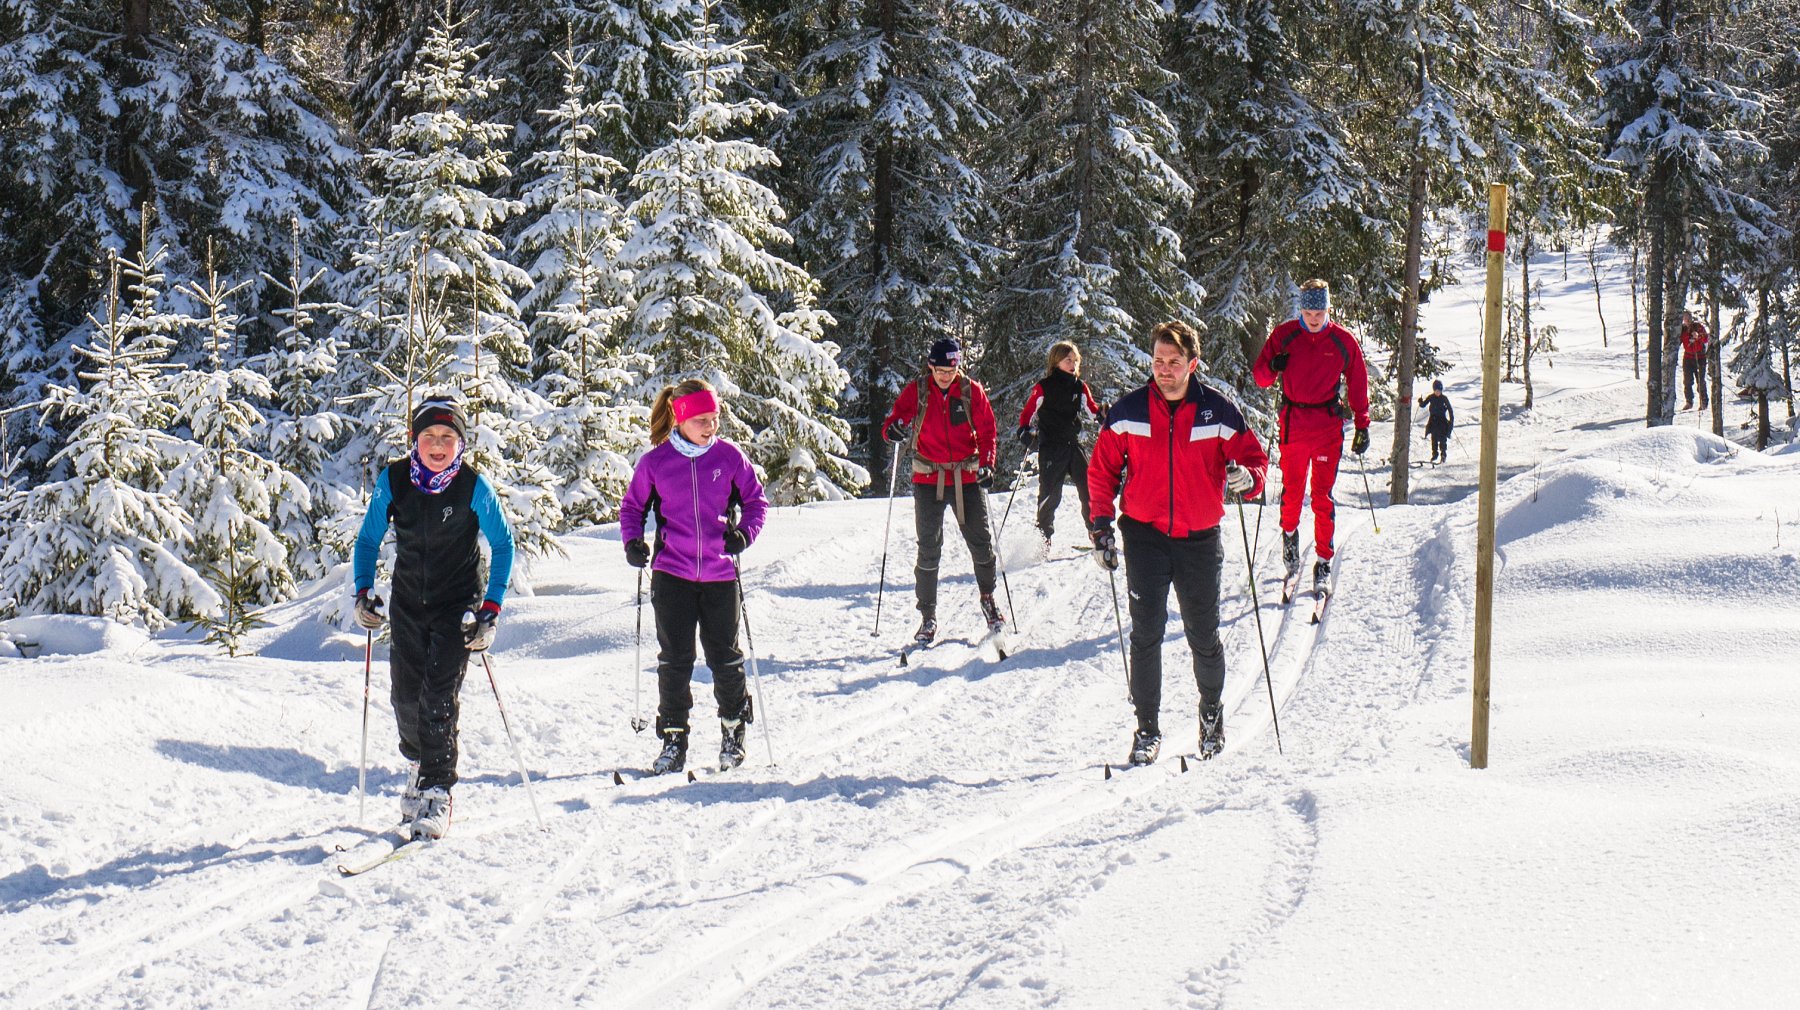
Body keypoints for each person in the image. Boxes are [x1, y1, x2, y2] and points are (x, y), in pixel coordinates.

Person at [1088, 321, 1268, 766]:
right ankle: (1146, 729)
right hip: (1144, 535)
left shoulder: (1219, 412)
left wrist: (1247, 479)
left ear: (1193, 364)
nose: (1164, 370)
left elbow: (1254, 462)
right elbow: (1102, 470)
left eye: (1173, 362)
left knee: (1203, 636)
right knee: (1145, 634)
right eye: (1158, 361)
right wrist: (1100, 526)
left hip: (1198, 539)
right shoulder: (1129, 412)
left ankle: (1210, 717)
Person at [353, 396, 515, 840]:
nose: (438, 445)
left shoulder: (472, 486)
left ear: (461, 442)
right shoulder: (394, 481)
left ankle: (439, 789)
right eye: (429, 436)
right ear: (414, 441)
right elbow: (368, 540)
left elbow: (503, 547)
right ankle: (418, 767)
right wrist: (363, 592)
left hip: (456, 607)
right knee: (405, 700)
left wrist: (490, 611)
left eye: (448, 437)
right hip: (407, 605)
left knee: (437, 697)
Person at [619, 378, 768, 775]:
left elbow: (756, 503)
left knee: (725, 657)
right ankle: (672, 737)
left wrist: (743, 535)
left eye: (714, 418)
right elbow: (632, 508)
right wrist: (633, 542)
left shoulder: (729, 457)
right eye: (701, 419)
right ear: (681, 419)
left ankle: (734, 731)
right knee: (675, 660)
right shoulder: (656, 462)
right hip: (672, 574)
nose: (710, 427)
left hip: (720, 573)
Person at [1252, 278, 1370, 595]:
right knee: (1292, 493)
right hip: (1293, 424)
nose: (1313, 318)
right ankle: (1289, 537)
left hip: (1327, 426)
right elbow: (1260, 378)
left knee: (1322, 497)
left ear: (1328, 309)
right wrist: (1274, 366)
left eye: (1319, 312)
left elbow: (1358, 380)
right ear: (1300, 309)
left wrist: (1362, 423)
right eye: (1308, 311)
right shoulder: (1284, 335)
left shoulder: (1343, 341)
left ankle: (1323, 562)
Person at [881, 336, 1002, 644]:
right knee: (928, 548)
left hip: (967, 477)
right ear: (930, 367)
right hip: (928, 479)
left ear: (957, 366)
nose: (946, 376)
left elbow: (988, 431)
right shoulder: (918, 391)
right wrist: (893, 429)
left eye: (951, 370)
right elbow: (894, 420)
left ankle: (988, 598)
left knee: (981, 542)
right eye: (940, 370)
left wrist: (987, 465)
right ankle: (928, 616)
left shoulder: (970, 391)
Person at [1016, 341, 1103, 554]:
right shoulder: (1044, 386)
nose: (1073, 364)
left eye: (1075, 360)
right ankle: (1043, 540)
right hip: (1052, 448)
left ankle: (1096, 533)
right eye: (1068, 360)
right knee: (1050, 495)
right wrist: (1024, 431)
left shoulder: (1079, 386)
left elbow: (1092, 410)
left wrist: (1103, 415)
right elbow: (1027, 413)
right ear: (1056, 362)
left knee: (1089, 488)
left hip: (1073, 445)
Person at [1418, 379, 1454, 464]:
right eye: (1436, 390)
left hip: (1442, 421)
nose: (1438, 392)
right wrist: (1420, 401)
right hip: (1433, 421)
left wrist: (1451, 420)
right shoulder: (1431, 397)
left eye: (1439, 390)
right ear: (1434, 390)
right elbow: (1423, 405)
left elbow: (1450, 409)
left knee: (1442, 439)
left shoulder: (1444, 398)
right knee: (1434, 438)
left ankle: (1443, 454)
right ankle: (1435, 454)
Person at [1680, 310, 1710, 410]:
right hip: (1688, 358)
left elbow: (1706, 338)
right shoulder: (1682, 330)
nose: (1687, 321)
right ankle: (1689, 401)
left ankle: (1704, 402)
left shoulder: (1698, 327)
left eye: (1688, 318)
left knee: (1700, 381)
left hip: (1699, 357)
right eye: (1684, 319)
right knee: (1687, 381)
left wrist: (1698, 337)